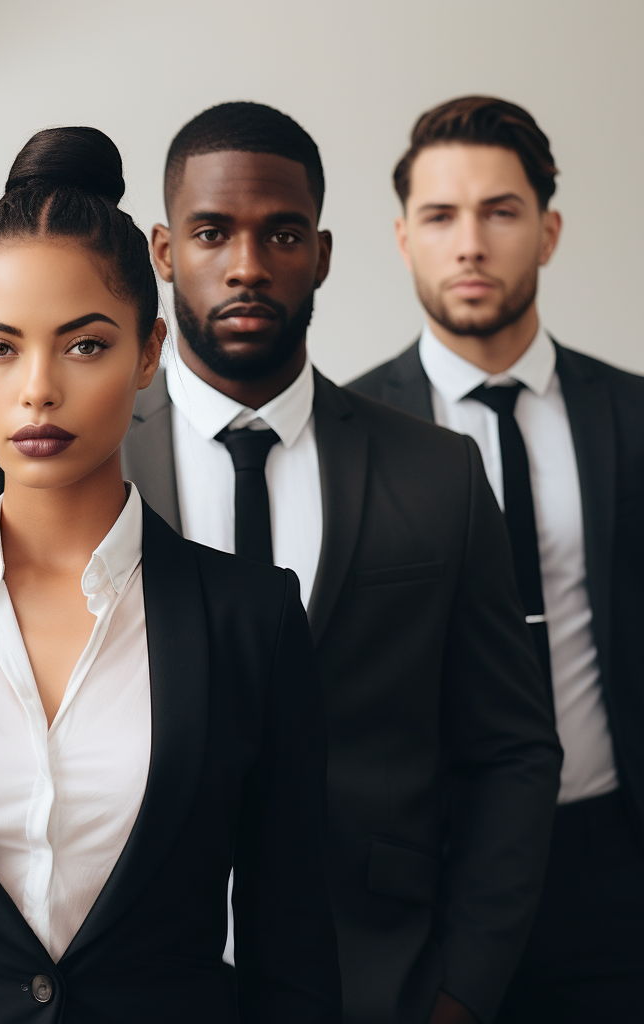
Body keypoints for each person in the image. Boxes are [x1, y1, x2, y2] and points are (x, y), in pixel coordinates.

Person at [0, 102, 563, 1024]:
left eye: (281, 233)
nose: (245, 264)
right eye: (209, 232)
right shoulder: (38, 460)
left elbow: (510, 748)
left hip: (374, 975)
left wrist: (461, 989)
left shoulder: (436, 473)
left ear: (323, 253)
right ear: (160, 251)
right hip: (110, 977)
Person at [0, 126, 342, 1024]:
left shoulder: (255, 618)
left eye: (83, 345)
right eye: (0, 348)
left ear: (148, 351)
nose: (37, 389)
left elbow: (295, 950)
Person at [350, 95, 644, 1023]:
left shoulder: (631, 417)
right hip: (423, 871)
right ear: (404, 239)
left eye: (500, 212)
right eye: (441, 217)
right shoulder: (349, 435)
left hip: (608, 853)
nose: (469, 243)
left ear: (548, 232)